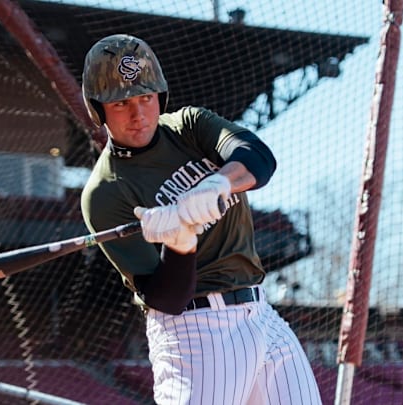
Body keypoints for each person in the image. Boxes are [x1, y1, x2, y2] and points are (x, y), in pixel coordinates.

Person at [80, 34, 322, 405]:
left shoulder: (189, 126)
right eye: (121, 103)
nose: (138, 114)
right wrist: (180, 244)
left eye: (146, 98)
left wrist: (219, 182)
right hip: (195, 331)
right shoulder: (105, 193)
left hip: (261, 313)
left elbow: (259, 157)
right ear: (98, 109)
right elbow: (166, 298)